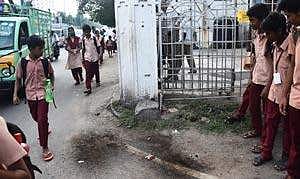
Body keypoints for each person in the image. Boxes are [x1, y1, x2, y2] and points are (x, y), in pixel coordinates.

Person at [252, 12, 294, 168]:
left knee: (288, 129)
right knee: (270, 123)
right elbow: (275, 70)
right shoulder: (275, 45)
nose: (267, 37)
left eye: (269, 33)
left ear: (279, 30)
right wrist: (268, 88)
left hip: (287, 95)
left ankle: (285, 156)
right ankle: (266, 152)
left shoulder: (292, 45)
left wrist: (285, 94)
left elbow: (292, 71)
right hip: (274, 92)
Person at [13, 35, 55, 162]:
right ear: (31, 49)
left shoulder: (45, 61)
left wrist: (51, 87)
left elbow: (52, 75)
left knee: (42, 118)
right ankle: (44, 127)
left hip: (44, 92)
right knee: (36, 117)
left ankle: (45, 147)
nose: (42, 50)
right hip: (30, 95)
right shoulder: (23, 62)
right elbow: (18, 80)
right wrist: (15, 94)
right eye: (40, 48)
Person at [278, 0, 300, 178]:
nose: (289, 20)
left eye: (290, 15)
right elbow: (292, 65)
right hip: (296, 99)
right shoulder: (295, 34)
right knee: (296, 141)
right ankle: (292, 173)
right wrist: (284, 95)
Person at [82, 24, 101, 95]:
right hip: (87, 58)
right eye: (85, 32)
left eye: (87, 32)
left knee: (95, 70)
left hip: (95, 57)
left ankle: (98, 81)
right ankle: (88, 88)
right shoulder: (83, 40)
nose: (86, 33)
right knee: (88, 73)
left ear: (89, 31)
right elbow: (83, 49)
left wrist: (100, 55)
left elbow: (99, 47)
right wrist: (82, 59)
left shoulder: (94, 38)